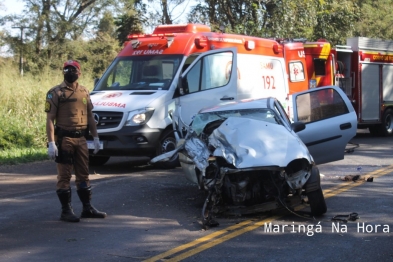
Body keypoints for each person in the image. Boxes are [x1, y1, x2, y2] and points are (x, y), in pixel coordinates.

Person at [45, 60, 106, 222]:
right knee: (64, 175)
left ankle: (87, 208)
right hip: (65, 139)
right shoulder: (55, 93)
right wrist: (51, 143)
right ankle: (66, 211)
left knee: (84, 175)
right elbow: (50, 119)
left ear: (79, 72)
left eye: (73, 69)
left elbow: (91, 117)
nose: (70, 72)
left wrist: (96, 137)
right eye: (66, 69)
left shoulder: (85, 92)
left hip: (82, 140)